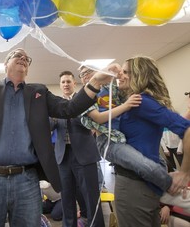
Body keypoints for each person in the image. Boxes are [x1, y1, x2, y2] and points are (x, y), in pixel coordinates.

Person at [0, 48, 114, 227]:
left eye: (26, 58)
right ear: (5, 64)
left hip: (26, 181)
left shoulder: (39, 92)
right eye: (17, 55)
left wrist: (95, 82)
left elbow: (69, 109)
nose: (22, 58)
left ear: (28, 68)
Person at [79, 64, 190, 211]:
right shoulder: (85, 96)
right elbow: (99, 119)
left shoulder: (109, 88)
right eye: (82, 74)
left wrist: (117, 72)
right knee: (145, 165)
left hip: (121, 137)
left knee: (158, 163)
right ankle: (170, 190)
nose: (86, 75)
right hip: (108, 142)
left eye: (89, 71)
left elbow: (123, 84)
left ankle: (165, 190)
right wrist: (125, 106)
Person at [109, 56, 190, 226]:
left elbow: (187, 129)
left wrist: (184, 172)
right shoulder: (133, 102)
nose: (119, 75)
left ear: (138, 76)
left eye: (125, 72)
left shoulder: (141, 102)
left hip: (134, 187)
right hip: (143, 185)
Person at [51, 70, 104, 227]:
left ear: (75, 83)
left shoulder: (85, 100)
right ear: (60, 86)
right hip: (63, 156)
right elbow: (49, 126)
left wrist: (72, 111)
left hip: (84, 154)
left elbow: (91, 122)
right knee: (67, 197)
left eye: (69, 81)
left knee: (91, 198)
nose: (66, 84)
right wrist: (50, 117)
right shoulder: (56, 106)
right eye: (63, 82)